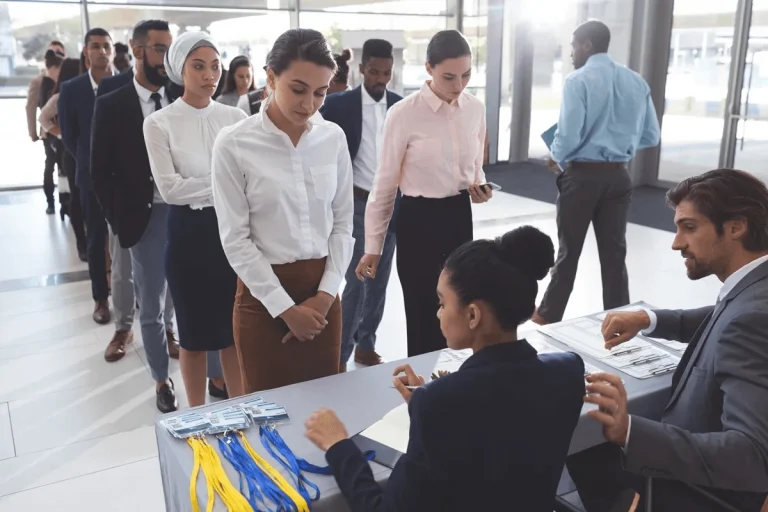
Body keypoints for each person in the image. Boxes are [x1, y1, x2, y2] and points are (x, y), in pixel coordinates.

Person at [305, 226, 586, 511]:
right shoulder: (567, 372)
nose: (438, 313)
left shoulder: (440, 403)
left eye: (442, 303)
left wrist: (339, 446)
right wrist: (430, 404)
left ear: (473, 315)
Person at [568, 168, 768, 512]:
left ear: (736, 227)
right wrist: (652, 319)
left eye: (689, 227)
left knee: (578, 450)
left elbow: (750, 456)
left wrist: (630, 430)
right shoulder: (755, 290)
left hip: (698, 492)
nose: (676, 243)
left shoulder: (751, 320)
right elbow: (727, 314)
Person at [212, 28, 354, 394]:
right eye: (298, 89)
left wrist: (324, 297)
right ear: (271, 77)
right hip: (264, 300)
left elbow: (342, 224)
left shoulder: (332, 138)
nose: (309, 104)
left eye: (321, 92)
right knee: (270, 418)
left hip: (323, 297)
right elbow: (235, 239)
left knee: (326, 410)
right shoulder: (234, 143)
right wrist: (285, 309)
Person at [357, 29, 492, 358]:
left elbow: (475, 165)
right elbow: (385, 185)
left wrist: (479, 184)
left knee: (463, 309)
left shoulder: (475, 108)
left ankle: (458, 384)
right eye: (448, 76)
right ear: (428, 68)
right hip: (418, 220)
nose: (458, 85)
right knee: (422, 311)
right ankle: (422, 395)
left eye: (466, 75)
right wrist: (373, 247)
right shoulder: (404, 114)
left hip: (460, 216)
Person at [532, 20, 661, 325]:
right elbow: (651, 136)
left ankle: (548, 316)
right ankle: (619, 319)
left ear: (588, 44)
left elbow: (570, 135)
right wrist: (620, 144)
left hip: (582, 178)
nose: (572, 53)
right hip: (619, 177)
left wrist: (555, 156)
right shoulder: (636, 81)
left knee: (568, 252)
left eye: (574, 45)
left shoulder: (578, 80)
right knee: (615, 254)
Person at [143, 31, 246, 407]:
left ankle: (241, 408)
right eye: (199, 66)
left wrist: (211, 186)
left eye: (216, 66)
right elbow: (170, 190)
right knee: (192, 333)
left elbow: (247, 179)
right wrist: (222, 183)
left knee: (233, 331)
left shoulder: (235, 117)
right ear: (179, 70)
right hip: (187, 234)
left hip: (231, 232)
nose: (210, 75)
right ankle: (195, 417)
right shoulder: (159, 123)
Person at [91, 20, 179, 413]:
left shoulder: (181, 95)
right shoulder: (112, 101)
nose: (166, 58)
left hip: (185, 212)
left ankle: (181, 343)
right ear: (137, 49)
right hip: (142, 217)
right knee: (150, 299)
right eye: (159, 49)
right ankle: (161, 378)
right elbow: (99, 170)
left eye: (169, 49)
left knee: (181, 291)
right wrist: (118, 217)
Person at [320, 39, 402, 371]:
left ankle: (366, 344)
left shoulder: (400, 106)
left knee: (380, 279)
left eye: (386, 72)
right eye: (374, 72)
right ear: (362, 69)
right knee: (357, 280)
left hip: (392, 205)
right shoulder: (338, 105)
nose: (381, 79)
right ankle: (340, 354)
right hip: (355, 203)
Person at [58, 28, 116, 325]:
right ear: (86, 51)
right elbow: (69, 136)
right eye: (96, 46)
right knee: (95, 239)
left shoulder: (126, 82)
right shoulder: (72, 89)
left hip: (123, 177)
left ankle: (132, 295)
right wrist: (89, 160)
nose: (102, 51)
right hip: (91, 176)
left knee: (128, 241)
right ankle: (101, 298)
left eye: (107, 46)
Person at [40, 57, 87, 261]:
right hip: (70, 152)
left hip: (85, 150)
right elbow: (43, 117)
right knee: (77, 196)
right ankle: (81, 243)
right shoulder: (62, 95)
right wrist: (60, 133)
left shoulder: (84, 91)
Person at [38, 50, 64, 215]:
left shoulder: (57, 84)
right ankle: (51, 202)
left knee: (59, 167)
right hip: (49, 133)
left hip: (54, 132)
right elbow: (35, 109)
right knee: (51, 166)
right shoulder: (43, 83)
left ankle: (63, 202)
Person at [26, 40, 66, 145]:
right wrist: (33, 134)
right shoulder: (38, 81)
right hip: (47, 130)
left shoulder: (70, 75)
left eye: (58, 51)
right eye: (51, 51)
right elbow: (31, 107)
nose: (54, 54)